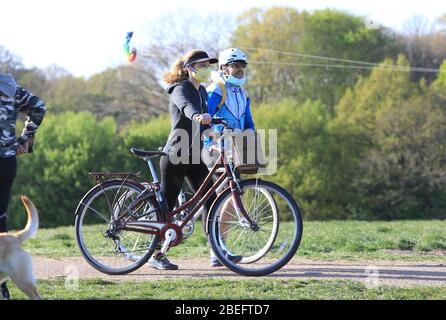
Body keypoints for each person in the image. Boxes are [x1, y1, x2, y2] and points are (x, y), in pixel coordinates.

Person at [147, 49, 218, 270]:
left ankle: (217, 250)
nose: (207, 70)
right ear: (190, 68)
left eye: (209, 65)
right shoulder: (179, 89)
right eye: (203, 66)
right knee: (166, 207)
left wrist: (216, 136)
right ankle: (156, 255)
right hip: (176, 154)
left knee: (211, 197)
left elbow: (206, 125)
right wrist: (197, 115)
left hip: (195, 155)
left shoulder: (204, 92)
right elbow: (187, 108)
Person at [205, 48, 255, 267]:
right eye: (236, 65)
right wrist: (212, 142)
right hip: (215, 150)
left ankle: (218, 248)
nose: (241, 70)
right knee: (224, 195)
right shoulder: (217, 89)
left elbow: (248, 122)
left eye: (243, 66)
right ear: (224, 68)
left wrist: (251, 137)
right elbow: (203, 120)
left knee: (232, 196)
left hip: (235, 151)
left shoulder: (243, 94)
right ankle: (217, 251)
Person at [0, 73, 46, 299]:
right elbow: (39, 107)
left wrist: (24, 139)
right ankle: (2, 287)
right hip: (5, 161)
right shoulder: (9, 87)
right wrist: (25, 139)